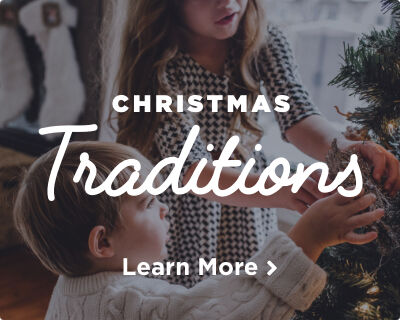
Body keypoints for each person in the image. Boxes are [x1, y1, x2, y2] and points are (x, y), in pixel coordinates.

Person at [102, 0, 400, 287]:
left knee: (246, 298)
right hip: (182, 211)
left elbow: (298, 116)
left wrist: (343, 149)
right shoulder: (161, 66)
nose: (228, 2)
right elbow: (192, 171)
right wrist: (282, 188)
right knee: (189, 301)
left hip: (248, 200)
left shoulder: (263, 39)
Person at [14, 142, 384, 320]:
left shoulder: (70, 288)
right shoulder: (129, 301)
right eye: (146, 203)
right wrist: (309, 238)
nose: (164, 207)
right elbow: (235, 313)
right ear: (103, 241)